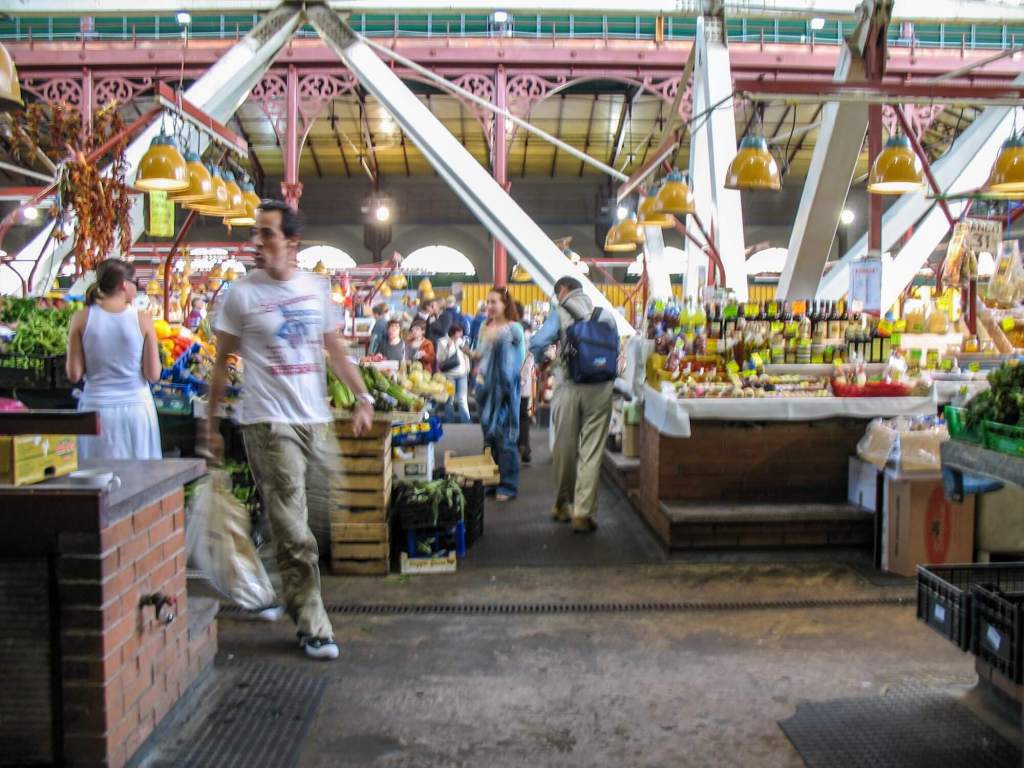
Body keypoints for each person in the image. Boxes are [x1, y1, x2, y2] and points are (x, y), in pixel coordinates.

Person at [202, 199, 374, 662]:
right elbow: (222, 363)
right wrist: (212, 422)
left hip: (314, 420)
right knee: (296, 530)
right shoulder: (241, 295)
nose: (259, 243)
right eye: (257, 234)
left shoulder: (315, 288)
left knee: (317, 511)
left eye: (268, 235)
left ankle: (278, 568)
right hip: (268, 422)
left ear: (291, 243)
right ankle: (313, 623)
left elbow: (334, 348)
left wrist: (362, 396)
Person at [529, 276, 615, 533]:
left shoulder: (560, 312)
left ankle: (563, 505)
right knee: (591, 451)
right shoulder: (605, 314)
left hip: (568, 385)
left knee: (565, 448)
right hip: (601, 388)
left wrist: (545, 361)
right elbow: (615, 348)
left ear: (563, 291)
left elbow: (536, 342)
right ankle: (583, 512)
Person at [66, 259, 162, 460]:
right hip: (136, 409)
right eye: (135, 281)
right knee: (140, 479)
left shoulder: (81, 318)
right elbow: (153, 374)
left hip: (96, 410)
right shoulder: (142, 320)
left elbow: (74, 374)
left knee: (97, 478)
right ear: (123, 285)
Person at [474, 287, 524, 501]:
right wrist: (468, 353)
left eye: (494, 302)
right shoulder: (485, 327)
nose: (490, 306)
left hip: (504, 391)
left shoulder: (514, 329)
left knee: (505, 439)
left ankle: (508, 485)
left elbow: (516, 363)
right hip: (483, 388)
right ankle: (493, 480)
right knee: (489, 438)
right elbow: (479, 354)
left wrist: (499, 342)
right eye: (488, 302)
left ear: (505, 304)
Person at [437, 324, 471, 423]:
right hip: (449, 375)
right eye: (459, 332)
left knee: (462, 399)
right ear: (454, 332)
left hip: (462, 375)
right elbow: (440, 358)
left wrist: (467, 370)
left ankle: (466, 420)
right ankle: (449, 419)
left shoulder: (462, 341)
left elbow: (466, 357)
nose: (461, 334)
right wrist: (448, 348)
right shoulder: (442, 342)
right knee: (449, 398)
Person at [516, 302, 535, 464]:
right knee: (523, 416)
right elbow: (531, 358)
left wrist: (520, 377)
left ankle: (519, 446)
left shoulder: (517, 331)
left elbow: (527, 358)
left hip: (515, 381)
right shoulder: (528, 331)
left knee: (514, 415)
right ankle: (524, 447)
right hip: (523, 381)